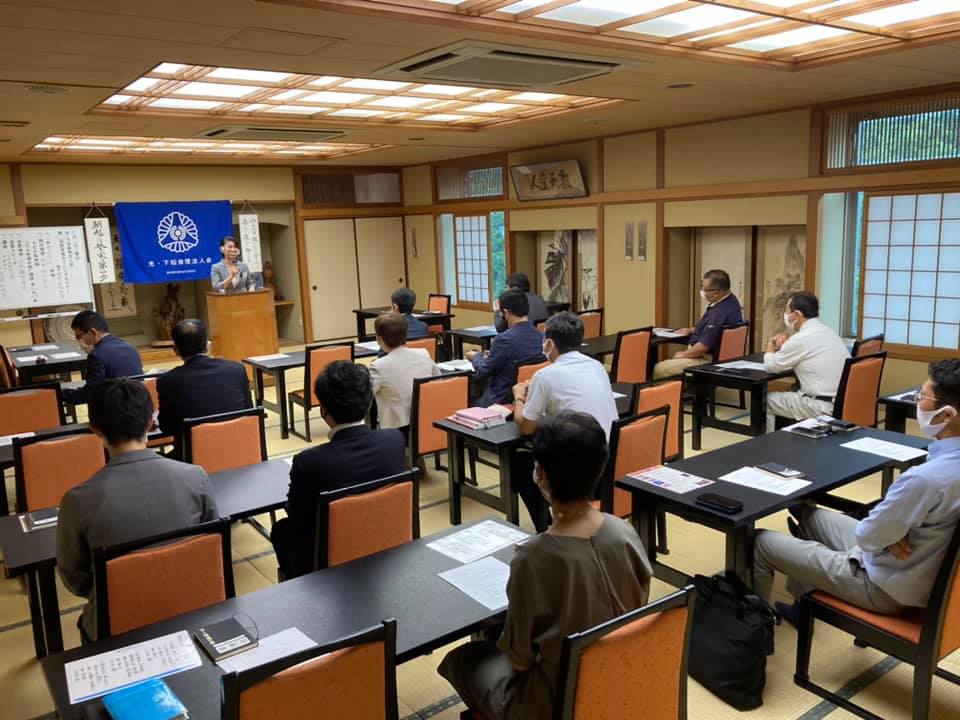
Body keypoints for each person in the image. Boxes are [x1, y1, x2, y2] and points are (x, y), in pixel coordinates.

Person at [438, 412, 652, 720]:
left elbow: (520, 660)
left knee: (464, 659)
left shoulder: (532, 557)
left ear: (540, 474)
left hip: (557, 701)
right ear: (602, 467)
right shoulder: (624, 532)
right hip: (624, 676)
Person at [753, 358, 960, 622]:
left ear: (947, 414)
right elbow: (878, 533)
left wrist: (885, 534)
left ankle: (757, 627)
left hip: (885, 586)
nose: (917, 402)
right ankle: (802, 607)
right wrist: (889, 533)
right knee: (812, 517)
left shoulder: (924, 479)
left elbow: (867, 536)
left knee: (761, 542)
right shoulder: (942, 467)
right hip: (912, 566)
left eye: (922, 397)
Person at [56, 379, 218, 643]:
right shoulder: (194, 476)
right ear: (151, 422)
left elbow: (75, 578)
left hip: (116, 623)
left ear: (95, 429)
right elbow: (211, 546)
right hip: (193, 607)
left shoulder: (77, 501)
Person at [270, 361, 406, 579]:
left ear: (323, 409)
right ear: (369, 403)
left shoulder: (309, 461)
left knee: (281, 530)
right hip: (387, 543)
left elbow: (297, 514)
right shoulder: (394, 440)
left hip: (330, 562)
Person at [511, 312, 618, 531]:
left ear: (549, 343)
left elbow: (526, 426)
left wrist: (519, 397)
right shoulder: (597, 366)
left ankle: (549, 529)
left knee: (518, 464)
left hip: (577, 476)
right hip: (608, 466)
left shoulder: (544, 376)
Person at [157, 319, 253, 460]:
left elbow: (167, 428)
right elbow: (249, 412)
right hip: (240, 452)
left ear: (175, 350)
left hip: (192, 460)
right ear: (208, 345)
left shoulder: (168, 381)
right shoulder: (236, 369)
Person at [762, 291, 850, 432]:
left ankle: (768, 442)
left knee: (765, 400)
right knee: (791, 390)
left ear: (796, 315)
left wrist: (770, 345)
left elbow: (771, 366)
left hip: (820, 406)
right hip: (843, 402)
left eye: (787, 312)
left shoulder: (801, 339)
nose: (785, 316)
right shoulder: (828, 331)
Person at [652, 269, 743, 380]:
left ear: (716, 293)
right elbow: (711, 329)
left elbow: (703, 347)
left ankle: (668, 391)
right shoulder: (731, 301)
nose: (702, 291)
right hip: (720, 357)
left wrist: (683, 354)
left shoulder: (719, 313)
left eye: (705, 289)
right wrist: (691, 330)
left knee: (660, 369)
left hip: (707, 359)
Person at [468, 289, 544, 407]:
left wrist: (476, 356)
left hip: (501, 401)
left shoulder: (504, 339)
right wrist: (492, 355)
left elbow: (484, 371)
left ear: (506, 313)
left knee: (465, 399)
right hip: (529, 398)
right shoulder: (541, 336)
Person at [369, 313, 439, 432]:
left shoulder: (378, 366)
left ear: (379, 339)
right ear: (405, 335)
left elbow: (365, 396)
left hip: (396, 429)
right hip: (426, 420)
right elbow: (438, 380)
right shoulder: (423, 353)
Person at [62, 310, 143, 404]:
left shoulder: (96, 355)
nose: (79, 340)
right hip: (139, 405)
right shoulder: (131, 348)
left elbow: (91, 393)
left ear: (92, 332)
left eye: (79, 337)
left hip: (115, 408)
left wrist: (64, 394)